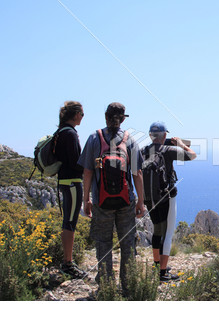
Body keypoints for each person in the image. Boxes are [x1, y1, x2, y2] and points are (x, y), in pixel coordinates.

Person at [78, 102, 146, 292]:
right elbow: (137, 173)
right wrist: (140, 201)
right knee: (128, 242)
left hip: (101, 200)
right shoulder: (130, 140)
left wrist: (87, 199)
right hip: (126, 201)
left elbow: (87, 172)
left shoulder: (94, 138)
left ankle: (106, 286)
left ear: (105, 117)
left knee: (103, 242)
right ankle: (128, 284)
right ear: (123, 119)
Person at [142, 121, 196, 282]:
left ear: (151, 135)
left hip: (149, 198)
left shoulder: (143, 151)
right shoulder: (169, 150)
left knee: (157, 230)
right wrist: (181, 144)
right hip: (167, 197)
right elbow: (192, 155)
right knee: (167, 233)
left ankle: (157, 264)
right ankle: (163, 273)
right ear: (164, 135)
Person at [55, 101, 86, 278]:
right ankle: (68, 263)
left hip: (64, 181)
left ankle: (67, 261)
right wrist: (92, 165)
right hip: (73, 182)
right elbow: (76, 163)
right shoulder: (71, 134)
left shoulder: (61, 132)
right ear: (75, 115)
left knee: (68, 220)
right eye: (82, 114)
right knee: (70, 222)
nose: (82, 117)